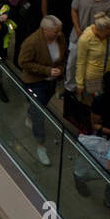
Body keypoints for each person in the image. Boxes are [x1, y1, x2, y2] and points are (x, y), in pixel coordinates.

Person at [18, 15, 67, 165]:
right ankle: (40, 145)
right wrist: (46, 70)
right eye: (55, 32)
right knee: (39, 113)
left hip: (51, 83)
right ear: (45, 30)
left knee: (40, 106)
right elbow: (23, 62)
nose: (59, 34)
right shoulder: (32, 42)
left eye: (59, 31)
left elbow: (64, 57)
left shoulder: (60, 37)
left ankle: (30, 113)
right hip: (35, 82)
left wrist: (59, 69)